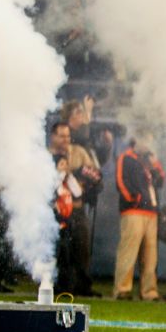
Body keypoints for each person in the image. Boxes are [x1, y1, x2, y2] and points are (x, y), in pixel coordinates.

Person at [49, 121, 98, 295]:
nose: (65, 139)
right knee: (60, 250)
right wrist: (59, 173)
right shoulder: (45, 157)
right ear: (53, 136)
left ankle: (81, 286)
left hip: (75, 209)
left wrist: (69, 174)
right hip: (55, 211)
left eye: (68, 136)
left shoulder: (76, 153)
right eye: (61, 136)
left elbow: (79, 191)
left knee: (80, 247)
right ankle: (59, 286)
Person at [113, 137, 165, 300]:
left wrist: (154, 164)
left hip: (151, 211)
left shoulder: (149, 160)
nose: (149, 143)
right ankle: (122, 289)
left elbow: (161, 180)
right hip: (134, 211)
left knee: (150, 255)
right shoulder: (126, 157)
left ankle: (149, 291)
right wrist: (132, 199)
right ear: (137, 141)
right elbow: (121, 181)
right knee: (128, 251)